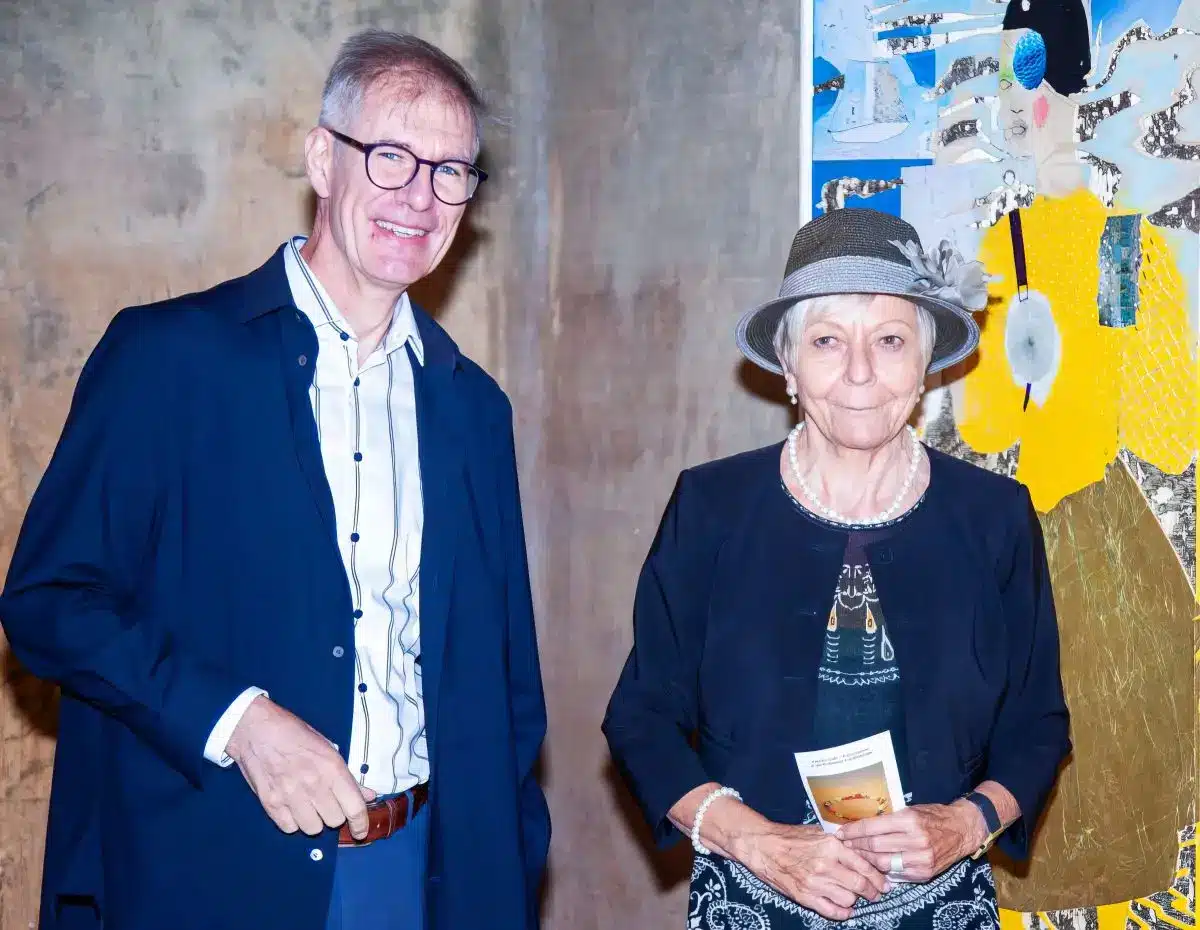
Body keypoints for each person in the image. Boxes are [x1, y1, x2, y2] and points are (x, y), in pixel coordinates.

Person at [0, 29, 548, 930]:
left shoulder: (473, 408)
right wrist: (238, 721)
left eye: (451, 170)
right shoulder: (169, 358)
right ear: (322, 160)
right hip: (211, 871)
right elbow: (51, 602)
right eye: (391, 157)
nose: (421, 196)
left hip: (418, 870)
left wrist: (505, 881)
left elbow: (506, 685)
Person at [602, 208, 1070, 929]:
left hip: (941, 908)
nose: (859, 372)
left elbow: (1037, 721)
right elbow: (642, 718)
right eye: (827, 341)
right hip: (753, 900)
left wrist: (970, 822)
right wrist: (756, 843)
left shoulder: (994, 516)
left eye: (890, 340)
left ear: (926, 363)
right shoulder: (712, 507)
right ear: (788, 365)